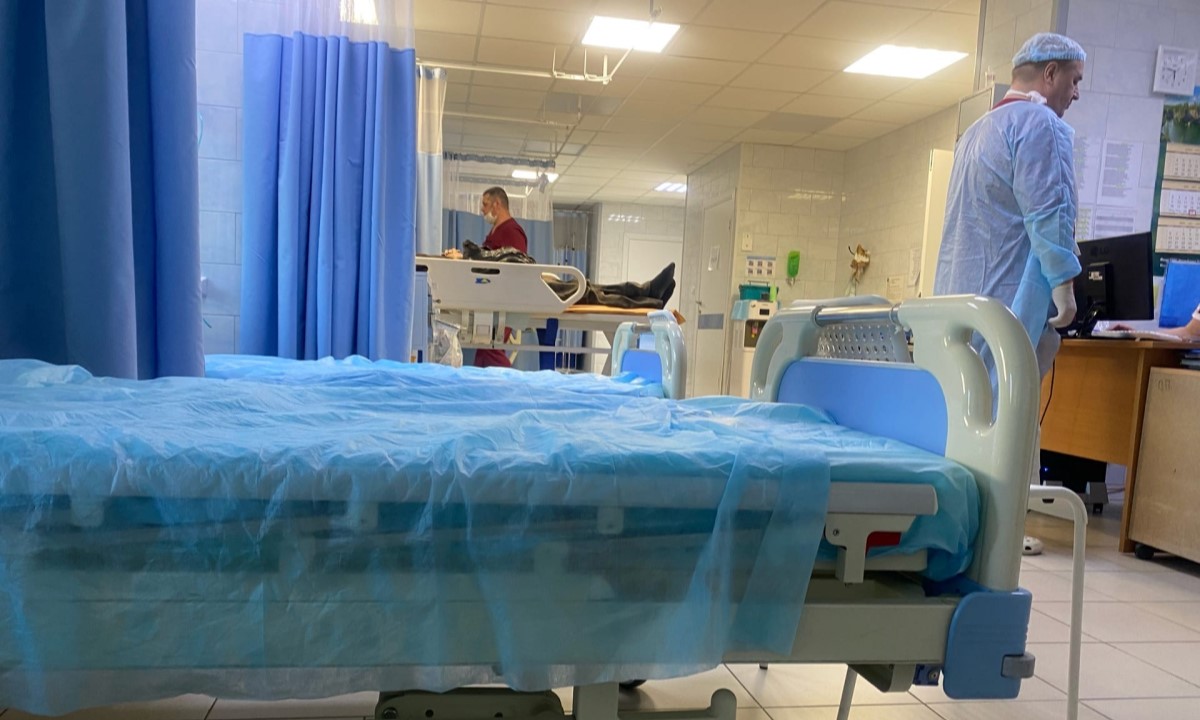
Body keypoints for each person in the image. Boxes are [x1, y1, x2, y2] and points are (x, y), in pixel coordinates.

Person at [934, 32, 1088, 556]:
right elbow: (1050, 212)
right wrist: (1064, 284)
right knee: (1007, 412)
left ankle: (966, 519)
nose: (1076, 93)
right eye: (1074, 80)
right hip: (1009, 300)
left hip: (961, 299)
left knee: (971, 413)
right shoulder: (1042, 125)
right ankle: (999, 530)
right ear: (1050, 74)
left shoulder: (975, 133)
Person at [472, 187, 527, 368]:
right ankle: (478, 380)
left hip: (504, 300)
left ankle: (511, 382)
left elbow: (517, 269)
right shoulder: (495, 231)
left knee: (490, 347)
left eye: (485, 204)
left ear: (497, 204)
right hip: (491, 299)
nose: (482, 209)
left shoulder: (512, 232)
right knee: (483, 347)